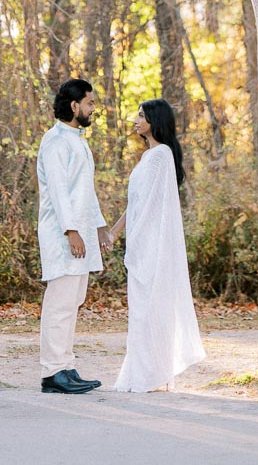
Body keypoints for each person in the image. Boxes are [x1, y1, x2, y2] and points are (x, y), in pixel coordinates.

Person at [110, 98, 205, 393]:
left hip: (153, 244)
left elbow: (154, 207)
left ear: (155, 120)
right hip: (140, 241)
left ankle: (154, 374)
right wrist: (114, 232)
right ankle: (146, 372)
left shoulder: (161, 155)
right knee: (141, 309)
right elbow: (136, 204)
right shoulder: (147, 156)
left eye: (141, 115)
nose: (135, 120)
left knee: (152, 308)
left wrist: (139, 238)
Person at [36, 77, 112, 394]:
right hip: (63, 235)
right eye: (91, 103)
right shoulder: (54, 142)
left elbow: (84, 192)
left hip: (80, 235)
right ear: (74, 105)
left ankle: (66, 366)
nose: (94, 108)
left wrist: (100, 228)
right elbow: (57, 192)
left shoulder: (78, 140)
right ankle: (52, 373)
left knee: (74, 301)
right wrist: (71, 231)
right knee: (60, 303)